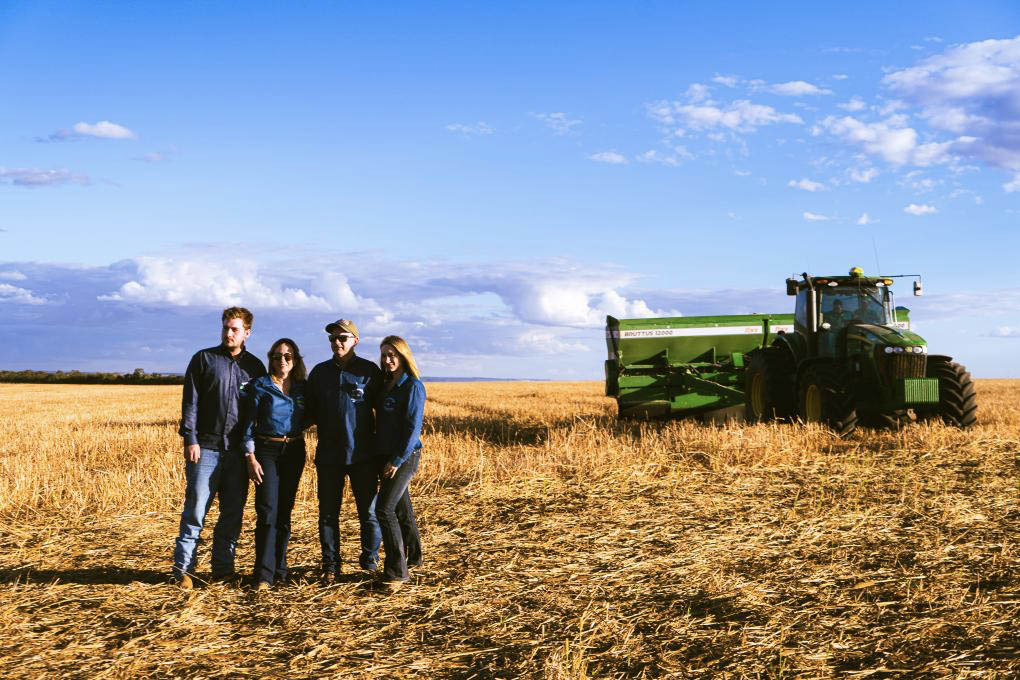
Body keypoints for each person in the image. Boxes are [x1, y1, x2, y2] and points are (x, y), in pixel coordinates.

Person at [174, 306, 266, 589]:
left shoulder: (255, 367)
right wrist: (190, 438)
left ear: (247, 333)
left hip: (238, 453)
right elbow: (191, 402)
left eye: (235, 329)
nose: (229, 333)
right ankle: (183, 571)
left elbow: (259, 412)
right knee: (195, 512)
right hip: (207, 449)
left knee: (231, 514)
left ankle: (223, 570)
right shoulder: (204, 359)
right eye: (226, 327)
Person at [304, 319, 382, 584]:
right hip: (329, 457)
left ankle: (370, 562)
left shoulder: (369, 372)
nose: (337, 342)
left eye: (343, 338)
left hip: (363, 456)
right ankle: (331, 565)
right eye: (333, 338)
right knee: (328, 514)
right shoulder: (320, 373)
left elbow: (384, 411)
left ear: (355, 341)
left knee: (369, 513)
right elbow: (307, 412)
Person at [240, 338, 308, 590]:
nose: (283, 360)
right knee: (267, 510)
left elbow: (313, 415)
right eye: (278, 356)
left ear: (295, 360)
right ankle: (263, 575)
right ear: (271, 359)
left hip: (294, 450)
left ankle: (281, 569)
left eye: (288, 356)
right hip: (266, 450)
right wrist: (250, 457)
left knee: (284, 512)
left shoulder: (303, 388)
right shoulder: (261, 386)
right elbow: (248, 425)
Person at [375, 335, 425, 591]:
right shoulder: (386, 384)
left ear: (403, 356)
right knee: (402, 509)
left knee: (384, 509)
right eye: (384, 355)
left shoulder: (412, 386)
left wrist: (396, 460)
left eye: (393, 355)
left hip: (404, 456)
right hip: (386, 455)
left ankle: (397, 572)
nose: (388, 360)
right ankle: (415, 558)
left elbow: (412, 429)